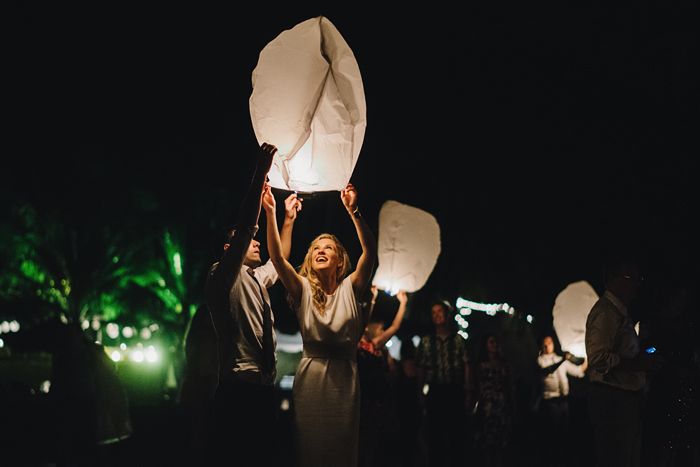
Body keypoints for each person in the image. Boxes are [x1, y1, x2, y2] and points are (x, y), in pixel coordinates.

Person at [264, 182, 376, 467]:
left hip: (345, 379)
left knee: (342, 452)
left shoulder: (352, 288)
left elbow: (370, 253)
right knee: (311, 453)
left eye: (328, 248)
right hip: (311, 379)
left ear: (339, 261)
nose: (320, 251)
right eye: (315, 248)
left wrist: (354, 212)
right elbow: (277, 258)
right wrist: (278, 215)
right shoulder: (301, 289)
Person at [205, 142, 301, 466]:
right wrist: (260, 170)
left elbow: (279, 259)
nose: (256, 242)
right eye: (247, 241)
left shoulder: (256, 279)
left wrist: (286, 218)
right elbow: (248, 225)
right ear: (230, 246)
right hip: (237, 393)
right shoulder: (222, 276)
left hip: (262, 391)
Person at [585, 256, 663, 467]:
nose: (636, 284)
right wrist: (638, 364)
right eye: (631, 278)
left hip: (623, 400)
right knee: (617, 458)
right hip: (614, 400)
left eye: (639, 279)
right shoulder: (606, 312)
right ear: (612, 279)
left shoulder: (619, 311)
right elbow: (597, 359)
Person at [416, 301, 471, 467]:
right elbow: (421, 369)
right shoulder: (426, 342)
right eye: (433, 312)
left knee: (456, 435)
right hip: (435, 391)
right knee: (435, 436)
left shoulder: (458, 340)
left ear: (447, 315)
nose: (437, 315)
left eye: (440, 311)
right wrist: (419, 393)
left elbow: (467, 365)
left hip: (454, 391)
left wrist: (468, 392)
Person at [357, 288, 408, 466]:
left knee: (374, 442)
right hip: (369, 398)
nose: (383, 331)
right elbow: (364, 323)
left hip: (378, 397)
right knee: (366, 441)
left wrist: (403, 303)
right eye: (380, 329)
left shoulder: (376, 347)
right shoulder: (365, 345)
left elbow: (394, 327)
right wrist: (372, 300)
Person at [537, 334, 587, 467]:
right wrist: (563, 360)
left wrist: (588, 358)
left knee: (563, 436)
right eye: (544, 343)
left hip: (564, 402)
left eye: (549, 342)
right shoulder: (540, 360)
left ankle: (561, 461)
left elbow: (578, 371)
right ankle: (550, 461)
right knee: (551, 436)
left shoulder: (560, 359)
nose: (547, 345)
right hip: (551, 403)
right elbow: (547, 370)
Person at [474, 332, 513, 467]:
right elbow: (477, 386)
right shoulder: (481, 365)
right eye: (491, 342)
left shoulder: (503, 364)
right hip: (488, 406)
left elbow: (508, 385)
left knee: (501, 443)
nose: (494, 344)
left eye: (495, 342)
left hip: (501, 406)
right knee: (488, 443)